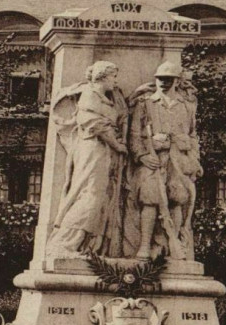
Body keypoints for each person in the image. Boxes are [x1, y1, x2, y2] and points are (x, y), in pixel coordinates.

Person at [46, 61, 128, 259]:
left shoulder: (106, 98)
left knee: (100, 196)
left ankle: (89, 245)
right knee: (91, 194)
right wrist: (117, 145)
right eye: (113, 77)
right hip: (93, 151)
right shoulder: (90, 95)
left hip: (103, 152)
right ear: (103, 77)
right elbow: (94, 123)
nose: (115, 81)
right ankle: (65, 243)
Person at [124, 61, 202, 261]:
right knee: (149, 200)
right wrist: (142, 155)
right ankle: (143, 247)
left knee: (177, 201)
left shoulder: (187, 107)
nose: (163, 83)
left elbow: (193, 136)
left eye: (169, 79)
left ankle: (172, 246)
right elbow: (134, 134)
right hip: (154, 161)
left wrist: (194, 160)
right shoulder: (146, 104)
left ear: (177, 81)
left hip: (179, 161)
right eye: (160, 79)